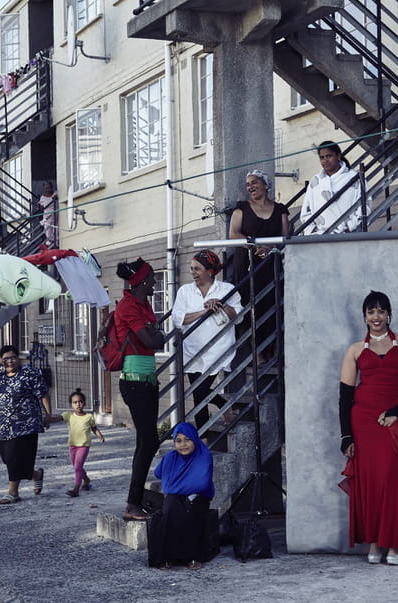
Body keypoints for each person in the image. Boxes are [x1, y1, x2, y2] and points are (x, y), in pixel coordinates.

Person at [338, 291, 398, 566]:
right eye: (371, 312)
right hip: (363, 420)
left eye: (381, 311)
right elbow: (344, 397)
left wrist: (395, 413)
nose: (376, 317)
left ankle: (394, 543)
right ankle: (373, 542)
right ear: (365, 316)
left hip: (394, 418)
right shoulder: (355, 349)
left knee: (391, 480)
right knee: (370, 483)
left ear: (389, 314)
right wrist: (346, 435)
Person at [114, 258, 166, 521]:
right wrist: (157, 334)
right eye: (153, 277)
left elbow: (153, 336)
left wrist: (156, 333)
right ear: (143, 281)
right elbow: (151, 339)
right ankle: (132, 504)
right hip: (134, 381)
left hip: (148, 379)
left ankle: (135, 501)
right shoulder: (128, 305)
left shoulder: (144, 304)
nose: (155, 281)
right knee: (148, 441)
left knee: (147, 441)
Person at [171, 250, 242, 430]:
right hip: (192, 349)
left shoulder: (226, 289)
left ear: (210, 271)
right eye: (192, 269)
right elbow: (178, 318)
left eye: (197, 269)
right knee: (198, 395)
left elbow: (239, 317)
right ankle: (205, 435)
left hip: (218, 348)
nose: (193, 272)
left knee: (201, 390)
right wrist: (204, 311)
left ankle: (211, 424)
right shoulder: (185, 291)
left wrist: (222, 304)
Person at [227, 169, 289, 364]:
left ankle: (273, 350)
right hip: (247, 263)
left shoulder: (280, 210)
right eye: (247, 184)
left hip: (271, 264)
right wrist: (254, 245)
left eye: (254, 182)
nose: (251, 187)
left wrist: (270, 247)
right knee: (250, 303)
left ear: (265, 184)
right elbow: (234, 234)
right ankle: (257, 353)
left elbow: (285, 238)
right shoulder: (241, 209)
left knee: (272, 302)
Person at [0, 344, 52, 504]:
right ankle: (36, 475)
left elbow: (43, 394)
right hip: (2, 426)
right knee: (7, 458)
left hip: (26, 424)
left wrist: (48, 415)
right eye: (6, 359)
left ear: (18, 358)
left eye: (13, 357)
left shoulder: (29, 373)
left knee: (14, 459)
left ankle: (13, 493)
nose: (10, 361)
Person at [148, 422, 215, 570]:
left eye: (187, 439)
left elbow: (201, 484)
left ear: (195, 439)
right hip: (176, 497)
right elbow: (157, 473)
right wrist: (178, 486)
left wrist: (173, 485)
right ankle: (168, 556)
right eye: (178, 441)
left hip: (199, 496)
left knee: (190, 508)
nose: (183, 445)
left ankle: (193, 556)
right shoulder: (171, 457)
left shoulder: (204, 456)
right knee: (171, 506)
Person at [300, 141, 365, 235]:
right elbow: (306, 211)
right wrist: (313, 231)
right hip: (320, 237)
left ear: (338, 156)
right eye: (322, 157)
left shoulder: (354, 178)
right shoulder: (315, 181)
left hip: (348, 236)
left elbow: (364, 205)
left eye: (329, 156)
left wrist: (350, 228)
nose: (325, 160)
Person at [56, 388, 104, 498]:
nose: (78, 404)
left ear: (85, 403)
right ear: (71, 404)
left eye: (80, 402)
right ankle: (86, 480)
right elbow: (58, 418)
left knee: (78, 466)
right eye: (75, 402)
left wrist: (99, 435)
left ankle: (76, 489)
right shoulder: (69, 415)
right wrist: (48, 420)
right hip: (72, 445)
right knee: (77, 466)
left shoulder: (88, 417)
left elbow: (94, 428)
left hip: (84, 445)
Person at [39, 182, 59, 248]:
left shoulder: (55, 194)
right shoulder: (42, 198)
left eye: (49, 188)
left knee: (56, 229)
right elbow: (41, 208)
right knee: (48, 231)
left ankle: (56, 243)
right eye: (46, 188)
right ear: (44, 189)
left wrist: (55, 198)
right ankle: (50, 244)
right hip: (47, 216)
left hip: (56, 215)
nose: (48, 190)